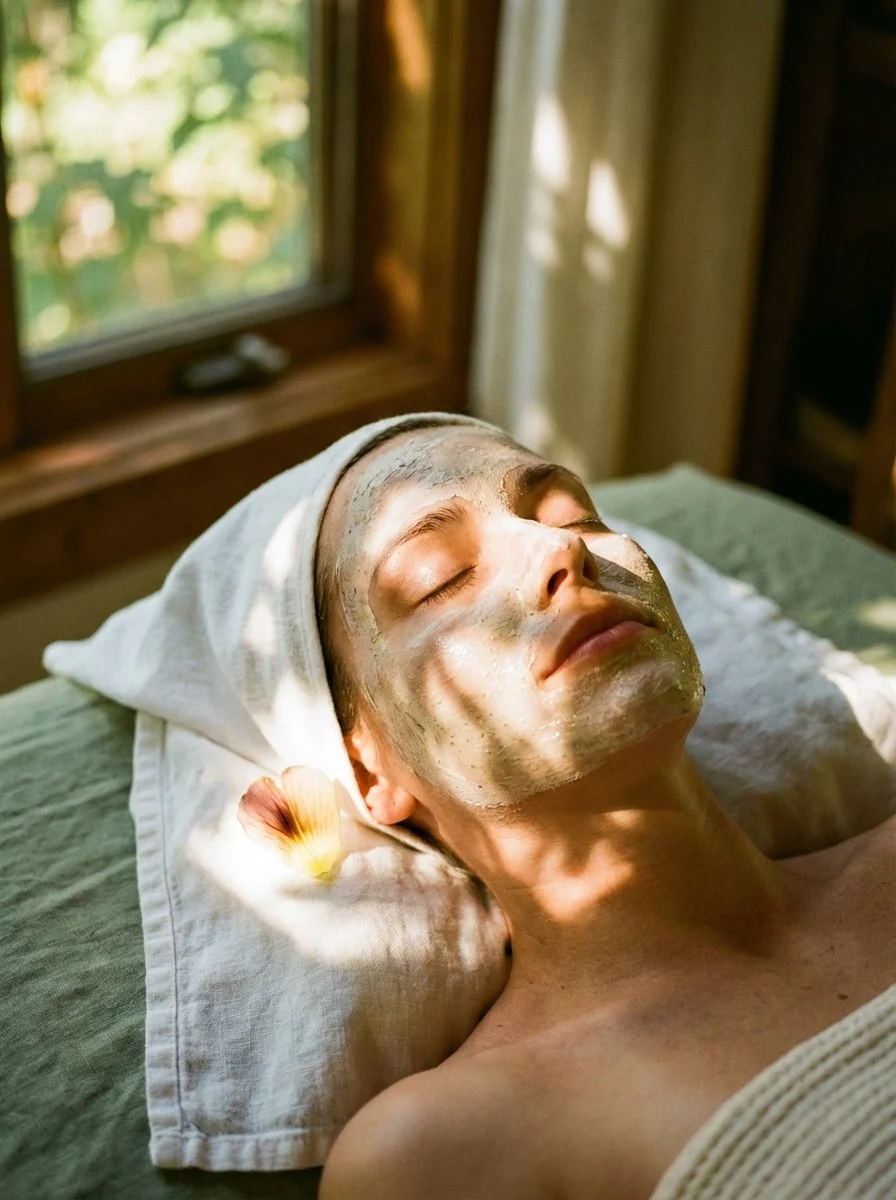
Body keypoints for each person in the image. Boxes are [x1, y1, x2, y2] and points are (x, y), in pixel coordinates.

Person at [314, 421, 895, 1200]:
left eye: (569, 514)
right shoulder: (444, 1150)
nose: (561, 552)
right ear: (368, 766)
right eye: (440, 578)